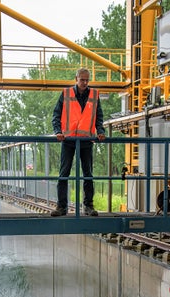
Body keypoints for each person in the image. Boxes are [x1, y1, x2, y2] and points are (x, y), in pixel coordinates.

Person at [50, 67, 106, 216]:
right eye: (82, 80)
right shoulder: (66, 93)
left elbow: (98, 116)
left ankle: (88, 206)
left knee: (88, 174)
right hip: (68, 140)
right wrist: (58, 131)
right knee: (64, 173)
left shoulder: (94, 95)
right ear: (76, 79)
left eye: (87, 80)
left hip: (86, 140)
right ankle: (61, 207)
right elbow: (56, 115)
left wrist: (100, 131)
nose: (85, 82)